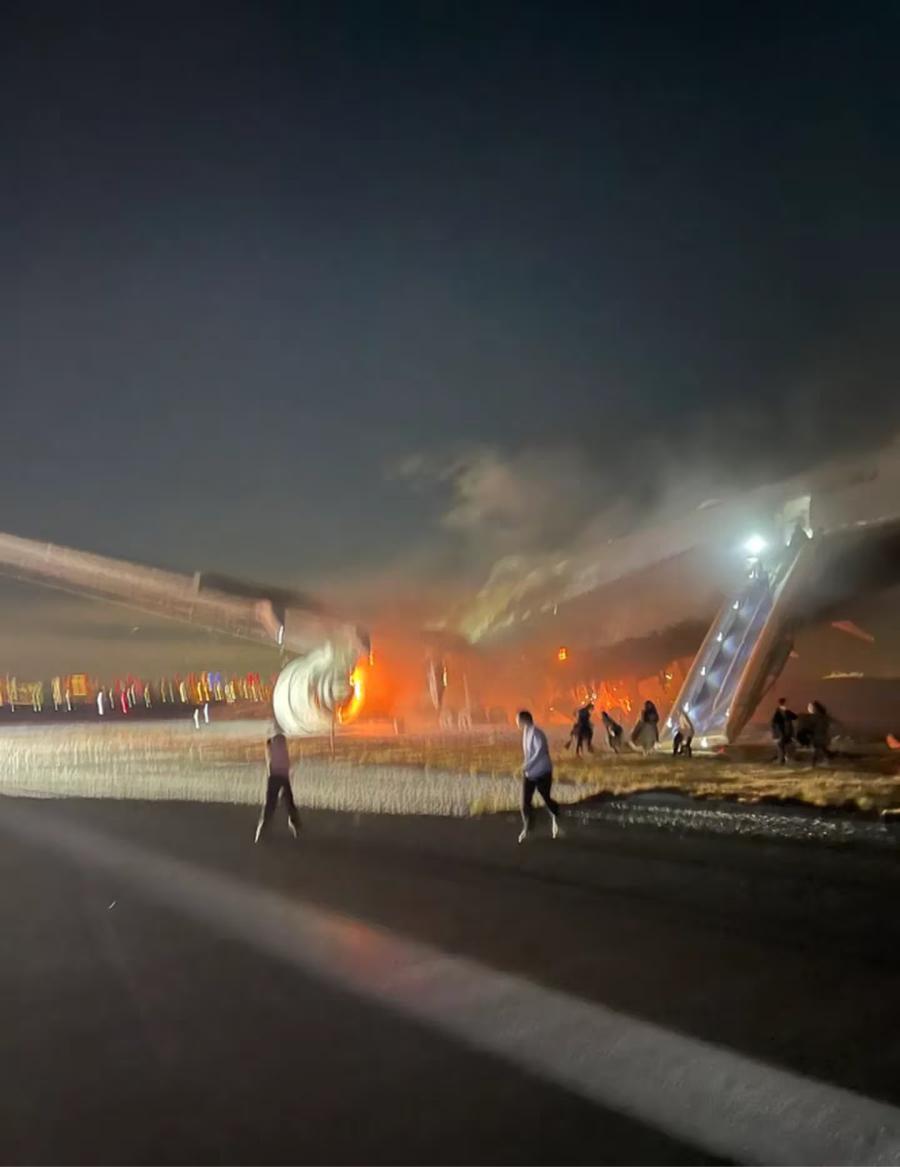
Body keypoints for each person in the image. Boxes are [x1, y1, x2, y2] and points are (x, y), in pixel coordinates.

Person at [516, 710, 560, 843]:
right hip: (530, 773)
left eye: (517, 720)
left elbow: (540, 751)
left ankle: (556, 817)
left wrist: (527, 765)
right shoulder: (526, 732)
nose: (516, 723)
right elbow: (529, 753)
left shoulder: (536, 732)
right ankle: (528, 829)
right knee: (525, 802)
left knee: (546, 798)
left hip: (542, 771)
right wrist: (526, 767)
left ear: (524, 720)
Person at [255, 729, 300, 843]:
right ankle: (296, 826)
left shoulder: (272, 742)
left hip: (276, 774)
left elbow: (271, 759)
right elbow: (285, 759)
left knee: (271, 804)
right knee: (288, 802)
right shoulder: (281, 740)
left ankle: (263, 832)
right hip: (282, 774)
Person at [771, 697, 797, 764]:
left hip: (784, 732)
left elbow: (774, 723)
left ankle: (783, 759)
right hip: (785, 732)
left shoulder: (780, 711)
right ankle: (784, 758)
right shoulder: (784, 711)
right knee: (783, 744)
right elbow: (795, 717)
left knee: (782, 745)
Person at [808, 700, 831, 766]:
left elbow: (820, 727)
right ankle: (827, 759)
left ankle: (813, 764)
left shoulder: (817, 717)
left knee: (815, 749)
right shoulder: (820, 716)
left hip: (818, 736)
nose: (809, 708)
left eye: (810, 707)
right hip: (820, 736)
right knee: (821, 749)